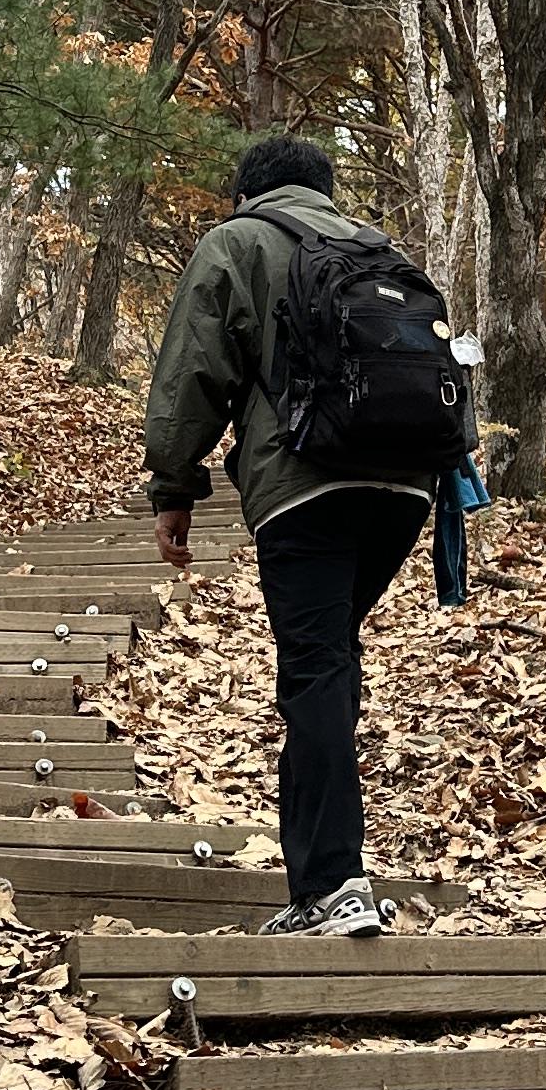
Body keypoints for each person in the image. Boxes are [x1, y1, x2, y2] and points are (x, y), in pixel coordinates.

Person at [145, 136, 432, 938]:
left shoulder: (237, 241)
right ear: (324, 189)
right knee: (328, 662)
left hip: (306, 482)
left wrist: (174, 487)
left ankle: (335, 883)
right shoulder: (381, 250)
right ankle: (319, 881)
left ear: (247, 193)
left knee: (315, 667)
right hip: (406, 489)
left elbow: (194, 371)